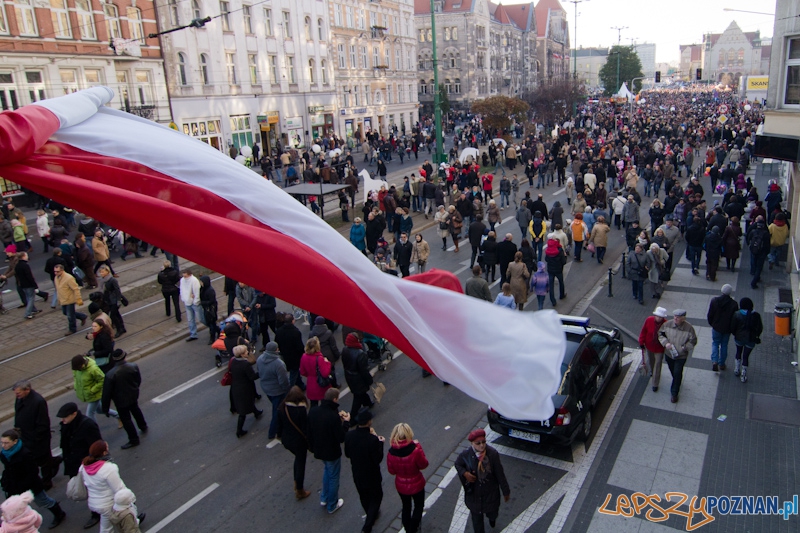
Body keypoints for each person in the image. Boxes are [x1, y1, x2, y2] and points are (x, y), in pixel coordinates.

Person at [0, 429, 66, 530]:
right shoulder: (4, 454)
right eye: (2, 442)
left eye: (6, 443)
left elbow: (33, 472)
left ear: (15, 441)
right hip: (14, 485)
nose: (3, 445)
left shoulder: (25, 454)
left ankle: (59, 514)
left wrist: (23, 486)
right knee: (13, 507)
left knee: (43, 501)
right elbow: (8, 469)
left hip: (31, 485)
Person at [57, 402, 103, 530]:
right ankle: (97, 511)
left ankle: (98, 513)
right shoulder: (66, 425)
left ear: (74, 414)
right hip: (74, 464)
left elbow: (97, 446)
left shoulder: (87, 425)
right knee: (89, 490)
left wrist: (92, 462)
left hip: (89, 465)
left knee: (96, 489)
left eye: (65, 417)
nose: (62, 420)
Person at [455, 429, 510, 533]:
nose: (481, 446)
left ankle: (492, 519)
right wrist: (465, 473)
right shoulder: (466, 454)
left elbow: (500, 474)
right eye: (478, 443)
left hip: (490, 494)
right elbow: (458, 464)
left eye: (483, 442)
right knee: (477, 523)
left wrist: (505, 491)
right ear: (472, 443)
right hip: (474, 496)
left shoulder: (492, 454)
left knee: (493, 513)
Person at [79, 440, 138, 533]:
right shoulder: (108, 468)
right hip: (108, 504)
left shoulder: (84, 467)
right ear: (104, 453)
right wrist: (131, 499)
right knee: (126, 519)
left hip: (94, 503)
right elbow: (119, 489)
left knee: (106, 524)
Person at [307, 388, 350, 514]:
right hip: (331, 451)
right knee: (334, 477)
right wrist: (346, 423)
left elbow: (309, 431)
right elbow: (341, 437)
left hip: (319, 449)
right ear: (334, 399)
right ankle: (332, 504)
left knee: (327, 472)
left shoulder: (314, 411)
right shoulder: (332, 417)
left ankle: (324, 497)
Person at [12, 381, 59, 491]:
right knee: (32, 460)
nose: (16, 395)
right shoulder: (20, 399)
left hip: (38, 438)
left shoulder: (38, 401)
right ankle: (53, 462)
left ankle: (47, 482)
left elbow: (43, 423)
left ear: (27, 390)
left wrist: (36, 438)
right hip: (25, 436)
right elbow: (18, 413)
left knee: (43, 460)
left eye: (18, 393)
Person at [344, 410, 384, 533]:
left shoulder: (349, 436)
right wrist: (381, 444)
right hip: (372, 474)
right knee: (377, 497)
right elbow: (378, 459)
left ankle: (370, 514)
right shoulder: (372, 440)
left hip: (357, 473)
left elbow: (347, 454)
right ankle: (368, 525)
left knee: (364, 496)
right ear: (369, 422)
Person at [101, 350, 148, 449]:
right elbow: (138, 380)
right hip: (133, 395)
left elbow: (106, 393)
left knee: (126, 419)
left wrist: (105, 408)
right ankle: (143, 426)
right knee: (136, 410)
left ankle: (134, 439)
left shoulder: (110, 374)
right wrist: (134, 389)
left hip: (120, 400)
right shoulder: (133, 366)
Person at [386, 423, 428, 533]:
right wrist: (419, 446)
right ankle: (413, 528)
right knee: (418, 506)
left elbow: (392, 471)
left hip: (401, 486)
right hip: (417, 484)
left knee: (406, 507)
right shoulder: (415, 450)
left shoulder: (391, 453)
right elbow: (424, 464)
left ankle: (407, 528)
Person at [276, 386, 311, 500]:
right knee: (301, 462)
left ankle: (297, 482)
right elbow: (305, 428)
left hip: (287, 440)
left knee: (298, 459)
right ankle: (300, 489)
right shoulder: (301, 410)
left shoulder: (282, 407)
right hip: (299, 442)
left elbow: (279, 425)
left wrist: (279, 436)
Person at [658, 309, 698, 403]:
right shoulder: (667, 324)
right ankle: (677, 380)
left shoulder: (689, 328)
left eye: (678, 317)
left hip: (681, 356)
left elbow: (693, 341)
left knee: (677, 372)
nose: (675, 318)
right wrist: (665, 343)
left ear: (683, 318)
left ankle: (674, 393)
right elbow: (660, 334)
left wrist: (684, 348)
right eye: (675, 316)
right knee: (673, 371)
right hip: (669, 354)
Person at [256, 342, 289, 440]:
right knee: (277, 411)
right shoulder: (278, 364)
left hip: (266, 388)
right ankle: (272, 432)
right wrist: (287, 389)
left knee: (277, 407)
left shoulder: (260, 359)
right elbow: (283, 380)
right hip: (277, 390)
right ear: (276, 350)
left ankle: (282, 423)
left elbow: (259, 372)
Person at [71, 355, 119, 422]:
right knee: (99, 410)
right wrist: (76, 386)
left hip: (94, 395)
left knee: (89, 414)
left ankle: (93, 427)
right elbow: (75, 376)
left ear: (82, 364)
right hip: (88, 394)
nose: (77, 370)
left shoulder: (93, 369)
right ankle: (119, 416)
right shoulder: (77, 369)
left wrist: (92, 390)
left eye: (78, 368)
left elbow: (103, 380)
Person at [341, 333, 374, 420]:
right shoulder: (360, 354)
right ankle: (352, 417)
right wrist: (369, 380)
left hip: (349, 376)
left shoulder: (345, 350)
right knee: (358, 397)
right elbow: (364, 370)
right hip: (358, 379)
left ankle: (368, 403)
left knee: (360, 393)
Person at [706, 284, 739, 372]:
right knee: (724, 345)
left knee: (715, 343)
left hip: (716, 326)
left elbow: (710, 314)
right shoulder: (734, 304)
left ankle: (714, 361)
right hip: (727, 328)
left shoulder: (714, 301)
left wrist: (712, 323)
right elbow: (735, 318)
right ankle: (722, 363)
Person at [732, 297, 763, 383]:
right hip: (751, 339)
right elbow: (760, 328)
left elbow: (733, 326)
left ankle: (737, 369)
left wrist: (735, 334)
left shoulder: (737, 314)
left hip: (739, 338)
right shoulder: (756, 315)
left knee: (738, 352)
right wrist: (757, 335)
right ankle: (743, 374)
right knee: (746, 356)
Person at [638, 307, 668, 392]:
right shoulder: (649, 320)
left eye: (660, 317)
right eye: (657, 316)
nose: (658, 318)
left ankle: (655, 383)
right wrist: (641, 341)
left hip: (659, 348)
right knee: (652, 361)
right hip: (649, 346)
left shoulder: (666, 324)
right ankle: (652, 370)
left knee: (658, 364)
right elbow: (644, 331)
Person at [275, 313, 306, 390]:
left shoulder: (279, 331)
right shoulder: (295, 332)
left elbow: (277, 343)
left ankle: (300, 384)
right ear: (292, 321)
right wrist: (303, 354)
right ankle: (290, 390)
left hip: (285, 355)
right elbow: (299, 346)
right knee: (293, 372)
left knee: (295, 371)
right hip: (294, 356)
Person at [299, 337, 333, 407]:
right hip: (320, 385)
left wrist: (310, 375)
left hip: (310, 383)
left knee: (313, 404)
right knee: (326, 404)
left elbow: (302, 372)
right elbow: (325, 373)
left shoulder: (304, 357)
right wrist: (327, 363)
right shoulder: (319, 358)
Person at [309, 317, 341, 388]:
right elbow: (333, 346)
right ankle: (334, 385)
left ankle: (324, 384)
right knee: (331, 370)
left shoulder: (311, 333)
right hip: (328, 354)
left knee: (320, 371)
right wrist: (337, 355)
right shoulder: (328, 332)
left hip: (317, 355)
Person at [98, 265, 125, 337]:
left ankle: (119, 329)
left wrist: (118, 300)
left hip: (114, 300)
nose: (101, 273)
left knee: (113, 316)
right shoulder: (102, 280)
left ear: (107, 271)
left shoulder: (112, 280)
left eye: (103, 272)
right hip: (108, 300)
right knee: (117, 314)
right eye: (100, 272)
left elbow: (117, 290)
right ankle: (122, 328)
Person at [179, 269, 203, 341]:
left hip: (194, 303)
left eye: (186, 276)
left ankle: (212, 327)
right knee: (190, 320)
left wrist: (196, 301)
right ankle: (193, 334)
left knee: (201, 318)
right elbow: (182, 290)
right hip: (187, 302)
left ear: (189, 275)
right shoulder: (182, 280)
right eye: (183, 276)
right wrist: (183, 298)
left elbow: (197, 291)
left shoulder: (194, 280)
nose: (184, 277)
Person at [746, 216, 770, 289]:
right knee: (759, 267)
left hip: (754, 250)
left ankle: (754, 273)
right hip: (762, 252)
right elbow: (767, 244)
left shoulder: (753, 231)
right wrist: (766, 252)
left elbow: (748, 238)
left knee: (754, 263)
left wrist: (749, 246)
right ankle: (754, 282)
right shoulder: (766, 233)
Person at [544, 238, 567, 306]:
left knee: (551, 285)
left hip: (550, 270)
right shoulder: (560, 250)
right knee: (561, 282)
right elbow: (563, 262)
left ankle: (553, 300)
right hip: (558, 269)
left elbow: (546, 259)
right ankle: (561, 295)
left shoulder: (548, 250)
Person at [199, 275, 220, 345]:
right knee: (210, 323)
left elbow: (212, 301)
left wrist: (203, 303)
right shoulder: (202, 289)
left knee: (211, 323)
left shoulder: (210, 290)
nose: (200, 283)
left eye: (201, 282)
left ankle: (212, 337)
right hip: (206, 308)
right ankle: (218, 330)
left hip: (211, 309)